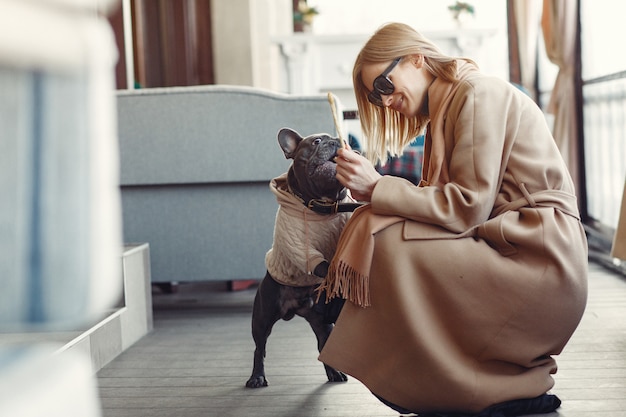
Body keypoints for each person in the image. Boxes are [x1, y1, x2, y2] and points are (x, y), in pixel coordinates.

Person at [317, 22, 588, 416]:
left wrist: (378, 187)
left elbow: (466, 207)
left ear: (415, 58)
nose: (385, 101)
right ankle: (433, 376)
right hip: (516, 249)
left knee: (390, 240)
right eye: (376, 98)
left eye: (384, 86)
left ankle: (419, 372)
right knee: (380, 224)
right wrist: (374, 195)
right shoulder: (451, 103)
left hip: (540, 262)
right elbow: (456, 208)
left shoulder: (475, 93)